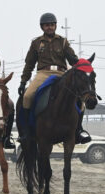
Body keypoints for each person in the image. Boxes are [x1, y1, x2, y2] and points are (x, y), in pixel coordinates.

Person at [18, 12, 90, 144]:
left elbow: (73, 59)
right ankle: (27, 131)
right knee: (27, 96)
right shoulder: (36, 43)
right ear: (42, 27)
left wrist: (84, 66)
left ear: (55, 26)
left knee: (81, 100)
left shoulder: (63, 42)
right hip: (43, 73)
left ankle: (79, 130)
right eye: (46, 25)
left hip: (61, 74)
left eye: (52, 25)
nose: (49, 27)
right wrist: (23, 81)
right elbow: (29, 64)